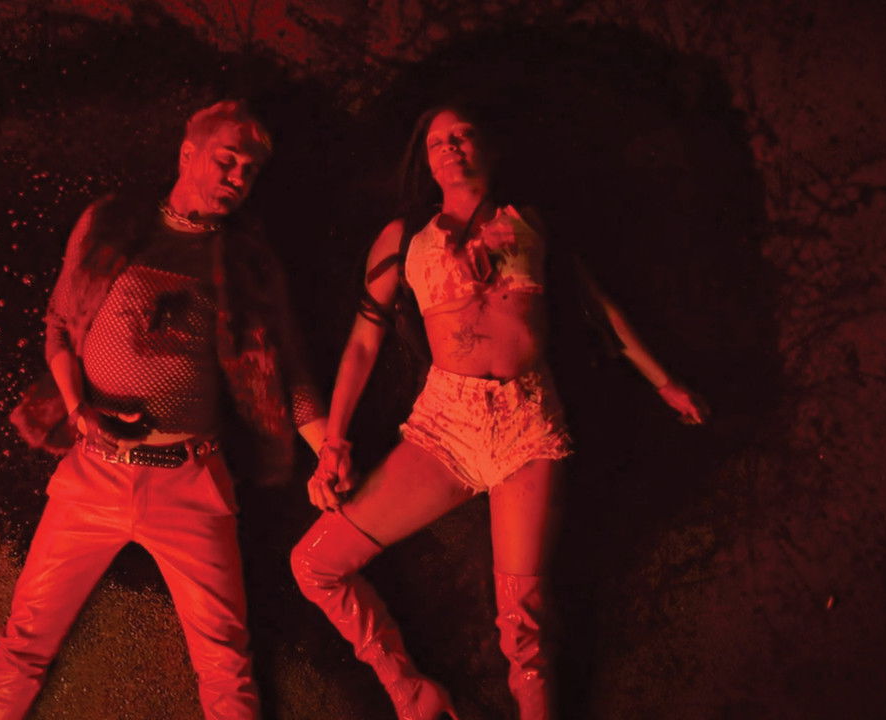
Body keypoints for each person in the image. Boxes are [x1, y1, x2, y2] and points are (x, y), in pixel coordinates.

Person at [289, 105, 708, 720]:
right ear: (425, 161)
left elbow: (599, 308)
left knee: (525, 622)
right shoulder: (404, 237)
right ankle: (411, 693)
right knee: (313, 564)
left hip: (528, 422)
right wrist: (334, 443)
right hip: (445, 425)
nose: (451, 147)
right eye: (437, 141)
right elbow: (362, 344)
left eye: (463, 135)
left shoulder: (533, 223)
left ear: (491, 148)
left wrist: (665, 382)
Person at [0, 100, 326, 720]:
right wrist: (78, 409)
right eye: (227, 160)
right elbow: (59, 326)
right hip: (93, 473)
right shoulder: (111, 223)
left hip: (191, 482)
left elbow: (288, 370)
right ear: (188, 154)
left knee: (226, 663)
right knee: (23, 641)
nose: (238, 178)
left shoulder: (247, 261)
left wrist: (331, 451)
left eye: (250, 170)